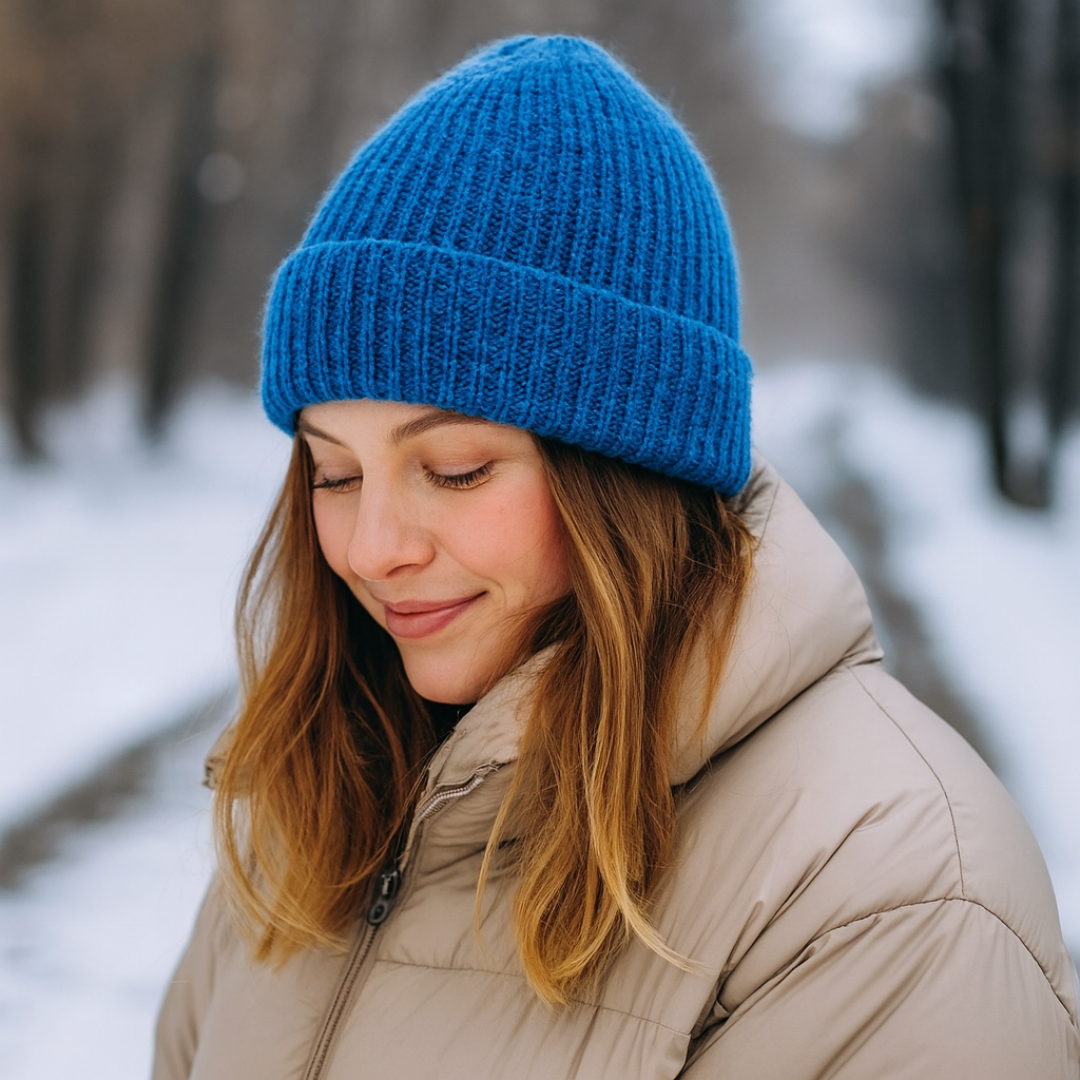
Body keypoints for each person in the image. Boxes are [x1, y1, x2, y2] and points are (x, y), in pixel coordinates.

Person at [153, 36, 1080, 1079]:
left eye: (454, 468)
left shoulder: (890, 896)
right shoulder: (315, 801)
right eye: (332, 473)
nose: (372, 550)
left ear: (628, 475)